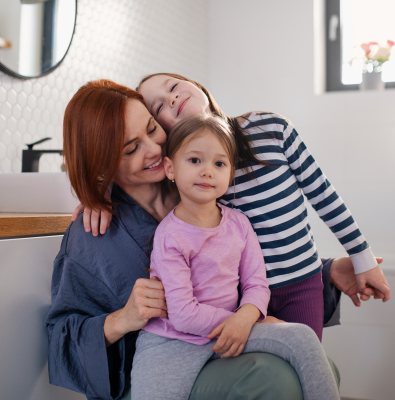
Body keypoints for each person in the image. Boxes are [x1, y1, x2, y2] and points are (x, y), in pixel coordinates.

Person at [46, 80, 347, 400]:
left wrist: (326, 269)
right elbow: (59, 341)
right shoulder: (93, 235)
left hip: (222, 342)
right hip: (157, 368)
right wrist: (121, 319)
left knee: (320, 367)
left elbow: (252, 253)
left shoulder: (200, 189)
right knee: (273, 379)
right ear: (101, 166)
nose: (154, 149)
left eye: (152, 128)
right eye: (131, 148)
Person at [75, 73, 391, 341]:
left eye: (173, 87)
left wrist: (357, 260)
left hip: (289, 288)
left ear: (196, 84)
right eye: (159, 108)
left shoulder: (270, 129)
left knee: (304, 361)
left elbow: (321, 196)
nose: (171, 100)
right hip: (238, 303)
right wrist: (98, 194)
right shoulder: (192, 179)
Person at [130, 114, 340, 400]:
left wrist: (246, 317)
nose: (207, 171)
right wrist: (241, 321)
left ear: (230, 174)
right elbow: (183, 315)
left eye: (219, 164)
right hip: (173, 342)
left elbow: (256, 284)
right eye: (194, 160)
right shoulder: (169, 236)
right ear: (170, 168)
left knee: (302, 337)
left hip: (232, 329)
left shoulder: (239, 224)